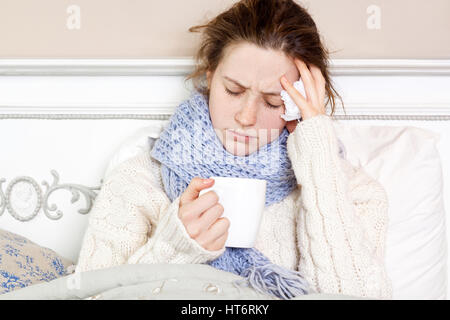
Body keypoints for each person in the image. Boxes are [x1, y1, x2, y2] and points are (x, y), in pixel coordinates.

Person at [75, 0, 392, 299]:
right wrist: (175, 248)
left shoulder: (356, 194)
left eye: (272, 101)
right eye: (233, 90)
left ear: (299, 101)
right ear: (210, 76)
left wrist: (319, 163)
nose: (246, 117)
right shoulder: (138, 183)